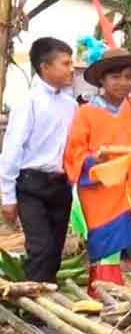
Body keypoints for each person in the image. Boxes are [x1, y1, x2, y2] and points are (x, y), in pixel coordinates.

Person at [63, 48, 131, 291]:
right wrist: (98, 161)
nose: (123, 83)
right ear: (101, 80)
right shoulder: (86, 114)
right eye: (115, 76)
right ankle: (107, 317)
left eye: (128, 76)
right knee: (107, 257)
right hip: (105, 198)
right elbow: (74, 157)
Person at [0, 38, 78, 283]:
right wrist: (8, 197)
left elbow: (72, 149)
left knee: (54, 251)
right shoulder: (28, 102)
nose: (71, 68)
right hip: (31, 185)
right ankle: (33, 311)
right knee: (41, 249)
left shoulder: (71, 105)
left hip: (60, 185)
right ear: (45, 67)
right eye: (65, 63)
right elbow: (12, 149)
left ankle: (46, 309)